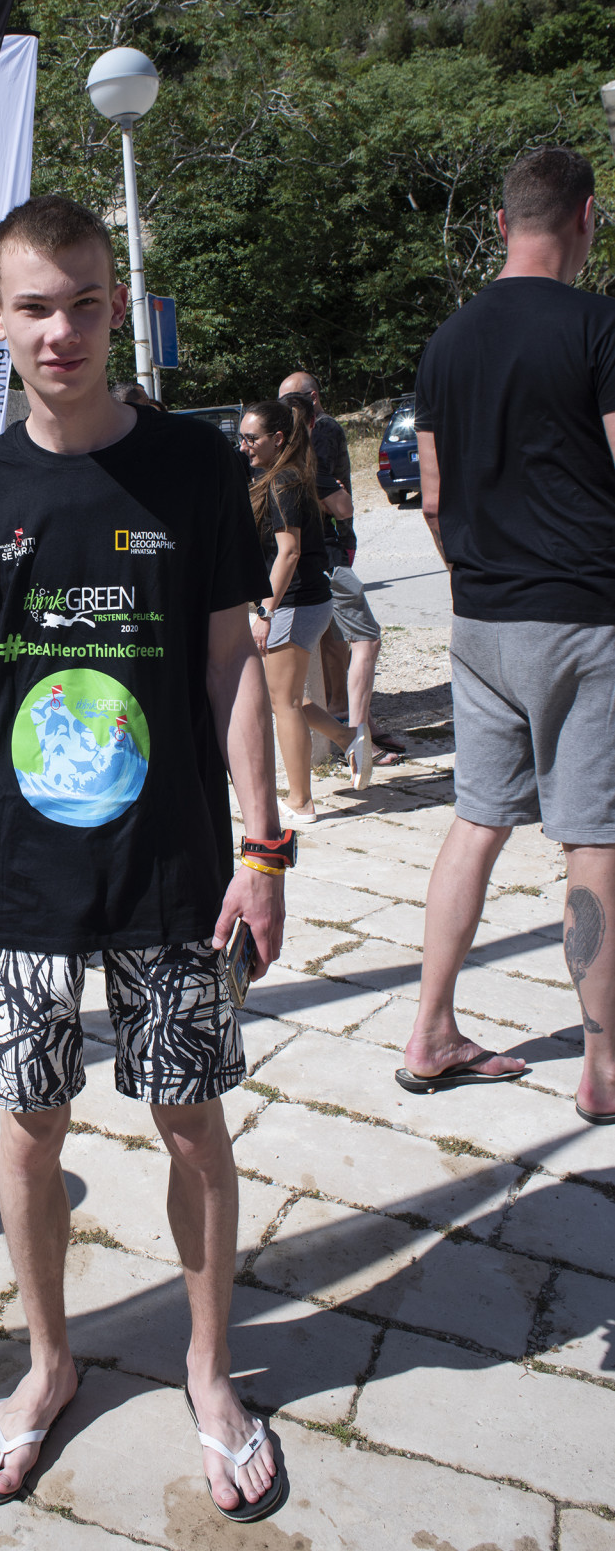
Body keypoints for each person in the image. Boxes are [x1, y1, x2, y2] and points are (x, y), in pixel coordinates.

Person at [0, 193, 296, 1523]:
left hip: (176, 872)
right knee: (29, 1131)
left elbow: (234, 664)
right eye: (33, 307)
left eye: (83, 302)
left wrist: (264, 848)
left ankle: (209, 1372)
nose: (60, 330)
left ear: (114, 306)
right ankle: (49, 1364)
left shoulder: (193, 467)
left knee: (192, 1124)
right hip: (21, 882)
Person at [400, 145, 615, 1120]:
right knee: (593, 839)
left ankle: (429, 1031)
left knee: (477, 821)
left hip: (481, 618)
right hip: (583, 618)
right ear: (587, 218)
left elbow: (431, 496)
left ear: (499, 225)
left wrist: (476, 581)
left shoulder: (445, 343)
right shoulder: (598, 324)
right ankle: (602, 1069)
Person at [240, 400, 370, 823]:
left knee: (286, 703)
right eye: (241, 437)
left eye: (251, 438)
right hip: (299, 601)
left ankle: (301, 801)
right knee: (283, 695)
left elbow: (289, 552)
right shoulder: (284, 475)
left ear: (277, 439)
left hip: (294, 603)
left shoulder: (285, 481)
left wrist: (265, 612)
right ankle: (347, 737)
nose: (244, 446)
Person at [278, 370, 403, 765]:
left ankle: (353, 725)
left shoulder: (274, 463)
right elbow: (341, 505)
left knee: (316, 659)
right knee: (362, 640)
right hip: (326, 557)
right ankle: (358, 736)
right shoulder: (305, 461)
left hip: (315, 561)